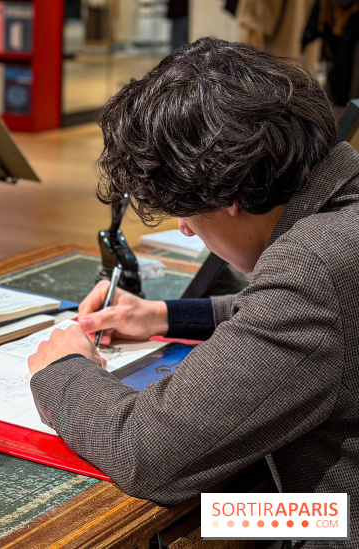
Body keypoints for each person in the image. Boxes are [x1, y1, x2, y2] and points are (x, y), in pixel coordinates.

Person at [28, 37, 359, 542]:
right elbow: (319, 321)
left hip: (331, 518)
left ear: (228, 193)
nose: (183, 226)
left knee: (183, 520)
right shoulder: (342, 218)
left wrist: (63, 368)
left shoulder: (312, 267)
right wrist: (162, 315)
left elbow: (149, 454)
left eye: (185, 207)